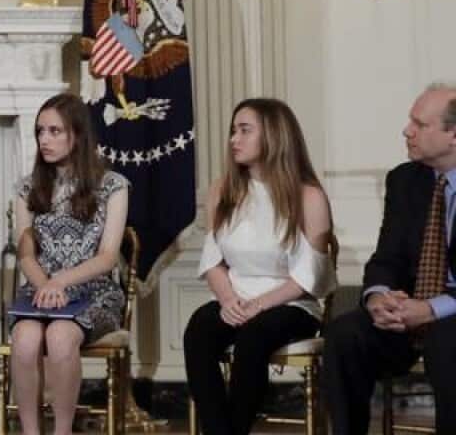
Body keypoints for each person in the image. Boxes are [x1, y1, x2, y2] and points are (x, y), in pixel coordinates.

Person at [182, 98, 335, 435]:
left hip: (290, 302)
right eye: (233, 131)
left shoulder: (308, 196)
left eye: (245, 130)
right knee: (200, 329)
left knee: (254, 336)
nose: (234, 139)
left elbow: (310, 276)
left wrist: (259, 305)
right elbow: (213, 260)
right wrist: (228, 300)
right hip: (237, 299)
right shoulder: (223, 191)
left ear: (274, 136)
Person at [325, 83, 456, 435]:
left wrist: (431, 309)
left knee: (447, 340)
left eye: (419, 124)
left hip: (451, 312)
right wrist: (379, 296)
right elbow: (386, 258)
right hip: (405, 311)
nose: (406, 131)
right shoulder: (404, 180)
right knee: (345, 336)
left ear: (453, 135)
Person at [8, 92, 128, 435]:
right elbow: (27, 254)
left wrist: (61, 282)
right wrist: (46, 285)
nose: (44, 139)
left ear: (77, 135)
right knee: (26, 339)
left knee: (60, 337)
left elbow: (107, 257)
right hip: (41, 292)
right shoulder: (27, 188)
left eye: (54, 131)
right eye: (40, 131)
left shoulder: (112, 186)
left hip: (94, 292)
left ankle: (62, 431)